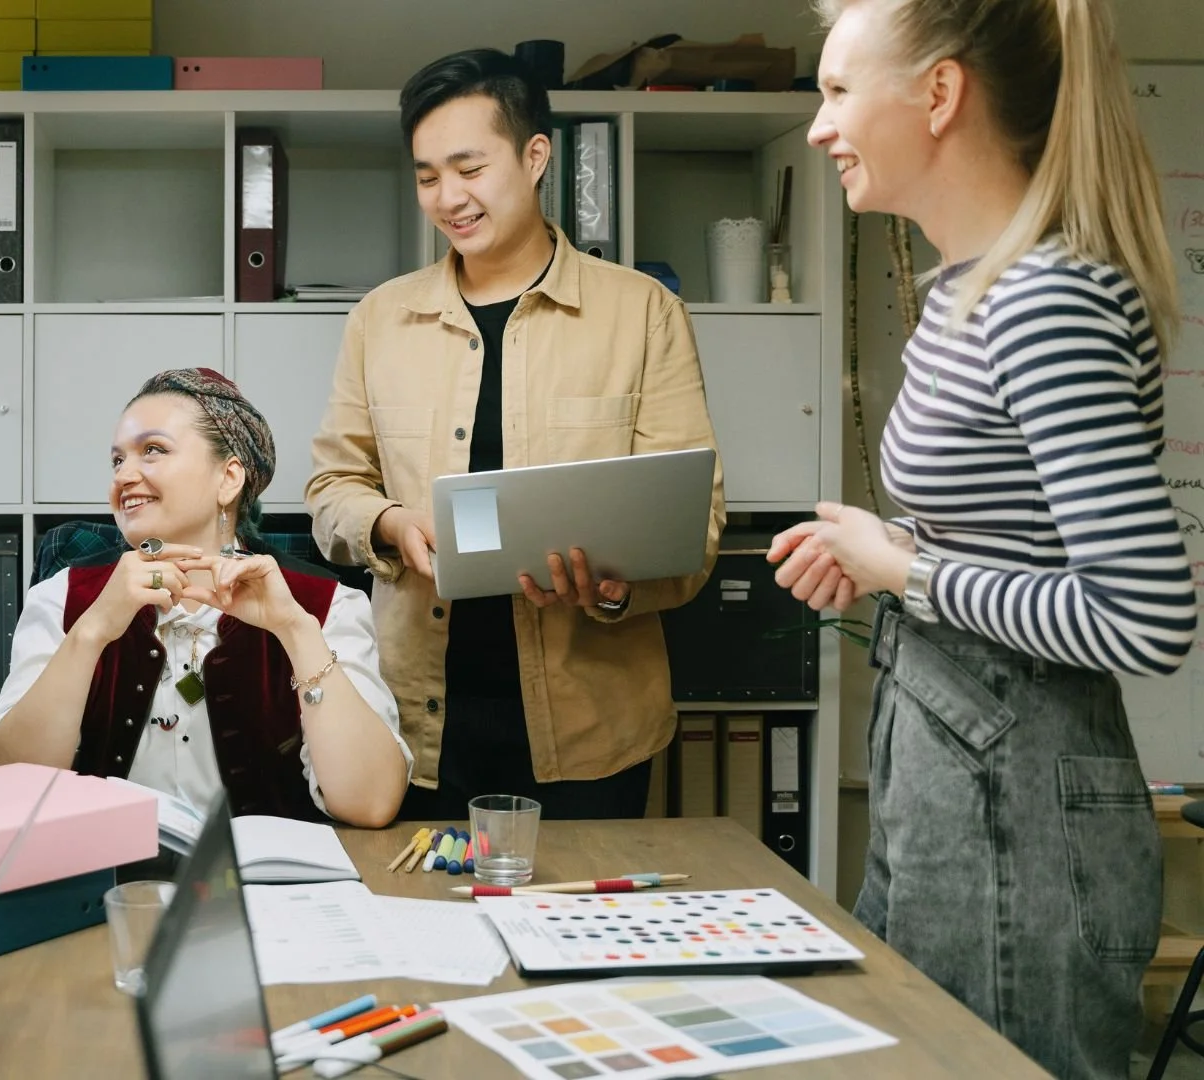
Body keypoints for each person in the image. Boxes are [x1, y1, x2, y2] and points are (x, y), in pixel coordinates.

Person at [769, 0, 1192, 1073]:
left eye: (835, 92)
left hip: (1023, 820)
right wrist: (883, 557)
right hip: (951, 784)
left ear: (940, 95)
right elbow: (1020, 536)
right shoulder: (973, 291)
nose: (818, 128)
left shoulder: (1044, 299)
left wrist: (902, 566)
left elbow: (1145, 616)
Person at [305, 48, 725, 821]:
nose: (447, 197)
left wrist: (615, 586)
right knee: (421, 936)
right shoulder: (380, 320)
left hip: (592, 729)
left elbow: (693, 525)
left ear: (536, 157)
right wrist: (391, 524)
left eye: (469, 168)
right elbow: (332, 490)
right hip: (414, 722)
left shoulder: (641, 313)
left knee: (579, 935)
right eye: (428, 175)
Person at [0, 368, 412, 827]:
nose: (125, 476)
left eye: (153, 450)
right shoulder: (62, 598)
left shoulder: (326, 605)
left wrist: (296, 632)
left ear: (229, 478)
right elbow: (3, 792)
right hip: (108, 891)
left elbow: (371, 804)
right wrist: (92, 632)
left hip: (264, 891)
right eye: (117, 461)